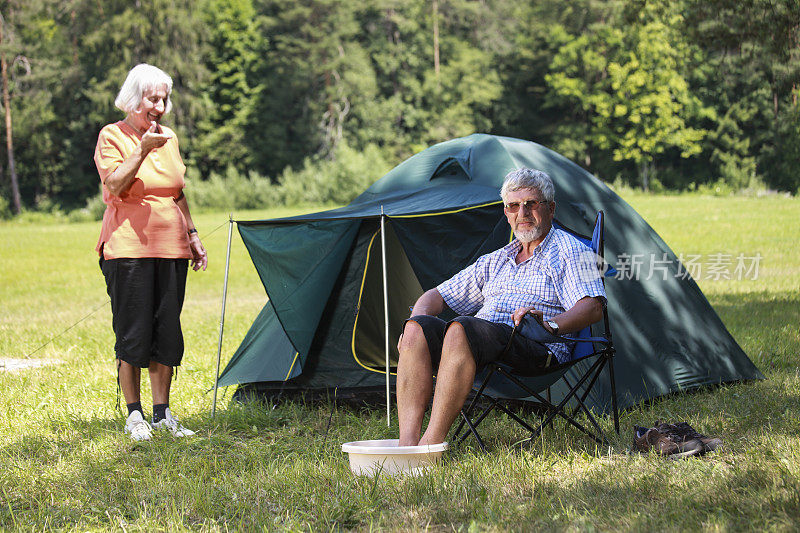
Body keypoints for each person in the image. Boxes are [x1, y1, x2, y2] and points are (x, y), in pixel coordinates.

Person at [396, 168, 606, 446]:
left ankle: (429, 447)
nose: (523, 213)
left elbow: (592, 306)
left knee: (461, 328)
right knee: (415, 329)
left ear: (551, 208)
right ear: (506, 212)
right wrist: (417, 319)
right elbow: (435, 296)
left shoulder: (572, 251)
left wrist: (550, 324)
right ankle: (406, 444)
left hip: (535, 346)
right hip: (480, 345)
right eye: (513, 206)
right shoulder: (497, 259)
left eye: (531, 203)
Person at [95, 64, 207, 441]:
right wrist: (141, 151)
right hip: (128, 249)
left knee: (167, 332)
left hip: (171, 246)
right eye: (152, 98)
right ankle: (134, 415)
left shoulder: (169, 137)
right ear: (133, 98)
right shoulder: (113, 135)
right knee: (133, 333)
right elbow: (113, 186)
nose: (159, 106)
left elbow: (176, 191)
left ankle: (162, 414)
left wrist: (192, 234)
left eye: (163, 99)